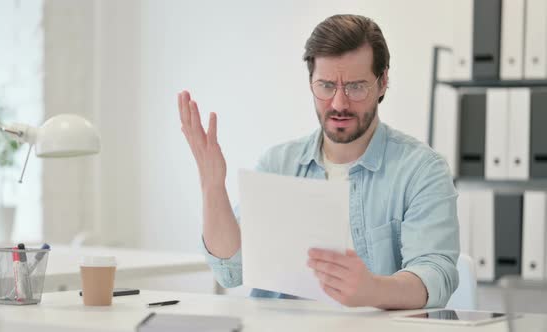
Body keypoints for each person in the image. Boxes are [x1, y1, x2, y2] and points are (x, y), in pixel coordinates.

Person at [178, 14, 459, 309]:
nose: (339, 103)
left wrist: (373, 290)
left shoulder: (422, 171)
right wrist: (212, 185)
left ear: (383, 82)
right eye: (326, 86)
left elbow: (435, 276)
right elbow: (231, 270)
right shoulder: (279, 164)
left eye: (356, 86)